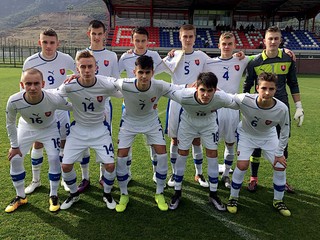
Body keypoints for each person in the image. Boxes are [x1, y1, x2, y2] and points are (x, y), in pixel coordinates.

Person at [113, 55, 185, 213]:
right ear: (134, 72)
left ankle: (159, 192)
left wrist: (195, 85)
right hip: (129, 122)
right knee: (121, 155)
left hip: (151, 122)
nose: (144, 76)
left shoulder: (159, 85)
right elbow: (102, 81)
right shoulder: (124, 84)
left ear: (153, 72)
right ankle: (124, 193)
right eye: (140, 72)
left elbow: (180, 89)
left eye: (147, 72)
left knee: (162, 154)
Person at [57, 50, 121, 210]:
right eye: (82, 67)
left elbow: (123, 91)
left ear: (96, 67)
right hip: (78, 129)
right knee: (65, 166)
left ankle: (107, 194)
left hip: (100, 129)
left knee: (110, 166)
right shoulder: (70, 85)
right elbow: (55, 96)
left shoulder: (105, 84)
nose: (86, 70)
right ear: (77, 69)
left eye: (89, 66)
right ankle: (74, 194)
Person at [243, 26, 304, 193]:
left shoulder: (287, 58)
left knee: (283, 144)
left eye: (276, 39)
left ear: (280, 41)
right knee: (256, 143)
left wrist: (299, 106)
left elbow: (293, 83)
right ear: (264, 41)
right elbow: (247, 86)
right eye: (270, 38)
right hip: (259, 109)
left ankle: (281, 180)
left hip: (281, 109)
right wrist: (245, 108)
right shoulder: (255, 62)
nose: (273, 41)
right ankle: (253, 178)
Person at [166, 72, 238, 211]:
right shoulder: (184, 95)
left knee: (212, 155)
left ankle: (213, 194)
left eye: (210, 90)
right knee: (182, 154)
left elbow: (239, 101)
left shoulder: (221, 97)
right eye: (202, 90)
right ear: (196, 87)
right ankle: (177, 192)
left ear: (215, 90)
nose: (206, 94)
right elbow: (164, 89)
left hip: (209, 124)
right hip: (188, 124)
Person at [5, 68, 72, 213]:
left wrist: (97, 112)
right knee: (15, 158)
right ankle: (20, 196)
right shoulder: (14, 100)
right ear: (22, 85)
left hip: (49, 128)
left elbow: (72, 107)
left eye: (36, 83)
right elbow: (10, 123)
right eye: (28, 84)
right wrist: (14, 146)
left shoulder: (53, 98)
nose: (33, 87)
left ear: (43, 84)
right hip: (26, 128)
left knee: (54, 158)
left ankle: (53, 195)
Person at [227, 72, 291, 217]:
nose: (267, 92)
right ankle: (233, 198)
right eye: (264, 88)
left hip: (268, 136)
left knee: (280, 165)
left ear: (276, 90)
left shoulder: (282, 108)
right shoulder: (245, 99)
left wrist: (279, 153)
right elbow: (227, 98)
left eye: (271, 89)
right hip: (246, 135)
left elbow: (285, 131)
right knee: (242, 166)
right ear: (257, 88)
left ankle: (278, 201)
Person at [21, 28, 75, 194]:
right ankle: (36, 180)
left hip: (60, 107)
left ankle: (65, 180)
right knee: (38, 142)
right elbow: (23, 86)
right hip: (39, 107)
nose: (49, 46)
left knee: (63, 142)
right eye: (45, 42)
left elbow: (80, 73)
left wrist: (74, 78)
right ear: (40, 43)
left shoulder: (66, 59)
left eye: (52, 42)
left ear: (58, 43)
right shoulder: (30, 61)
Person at [162, 24, 211, 188]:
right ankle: (175, 173)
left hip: (195, 102)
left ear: (195, 38)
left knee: (196, 139)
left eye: (191, 36)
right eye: (185, 36)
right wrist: (131, 53)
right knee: (175, 140)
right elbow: (154, 67)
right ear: (180, 38)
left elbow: (219, 64)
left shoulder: (202, 56)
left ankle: (199, 173)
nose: (188, 39)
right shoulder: (174, 56)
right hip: (176, 101)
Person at [76, 20, 120, 193]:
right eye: (93, 33)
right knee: (83, 141)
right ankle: (85, 178)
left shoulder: (111, 55)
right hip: (83, 105)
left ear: (104, 34)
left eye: (99, 33)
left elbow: (115, 80)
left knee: (104, 140)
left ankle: (103, 176)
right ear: (89, 34)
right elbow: (77, 77)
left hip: (104, 106)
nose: (96, 37)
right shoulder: (81, 53)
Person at [204, 32, 252, 188]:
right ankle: (212, 175)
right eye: (223, 44)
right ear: (218, 45)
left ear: (234, 45)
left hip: (232, 106)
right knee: (212, 144)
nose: (226, 47)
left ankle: (225, 175)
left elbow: (261, 57)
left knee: (230, 143)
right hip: (215, 107)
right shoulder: (209, 63)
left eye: (229, 44)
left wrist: (284, 51)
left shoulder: (241, 59)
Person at [118, 27, 164, 183]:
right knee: (126, 144)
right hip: (130, 106)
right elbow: (115, 77)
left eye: (143, 40)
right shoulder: (125, 57)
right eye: (137, 40)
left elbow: (168, 69)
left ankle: (156, 173)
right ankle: (128, 174)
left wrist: (172, 55)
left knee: (154, 143)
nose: (140, 44)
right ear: (132, 41)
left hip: (151, 105)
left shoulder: (154, 56)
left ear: (148, 41)